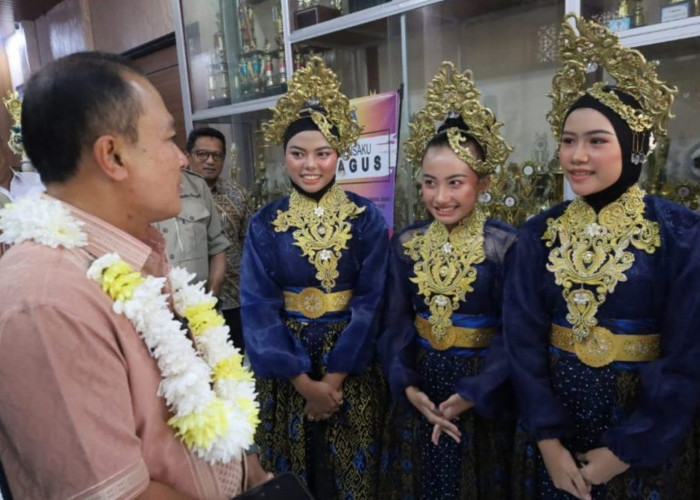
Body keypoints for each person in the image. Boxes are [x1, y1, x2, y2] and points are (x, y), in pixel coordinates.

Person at [0, 51, 261, 498]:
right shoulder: (47, 302)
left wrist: (248, 472)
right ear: (113, 156)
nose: (182, 159)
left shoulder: (136, 256)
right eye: (169, 139)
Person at [505, 15, 700, 499]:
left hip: (645, 439)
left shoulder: (679, 233)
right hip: (555, 435)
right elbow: (522, 344)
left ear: (634, 147)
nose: (576, 156)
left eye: (597, 141)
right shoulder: (537, 235)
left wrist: (626, 451)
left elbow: (689, 355)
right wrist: (548, 442)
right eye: (568, 141)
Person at [240, 56, 389, 499]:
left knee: (352, 478)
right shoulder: (265, 223)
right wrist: (305, 384)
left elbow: (373, 301)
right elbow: (257, 308)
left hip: (353, 370)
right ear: (283, 155)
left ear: (339, 154)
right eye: (298, 153)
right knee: (295, 476)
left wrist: (333, 381)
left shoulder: (367, 219)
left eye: (322, 153)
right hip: (289, 376)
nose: (310, 165)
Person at [379, 62, 515, 499]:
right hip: (423, 388)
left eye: (455, 183)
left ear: (484, 182)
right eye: (429, 184)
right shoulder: (406, 244)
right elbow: (396, 324)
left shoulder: (507, 246)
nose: (440, 197)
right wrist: (408, 387)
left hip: (483, 392)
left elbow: (518, 334)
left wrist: (474, 393)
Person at [186, 127, 253, 350]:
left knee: (235, 366)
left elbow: (249, 244)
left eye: (217, 155)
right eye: (202, 154)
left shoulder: (237, 194)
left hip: (235, 299)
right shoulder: (173, 195)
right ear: (188, 156)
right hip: (190, 301)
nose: (210, 161)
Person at [153, 166, 231, 298]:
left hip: (199, 306)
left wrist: (211, 298)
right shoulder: (126, 187)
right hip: (150, 308)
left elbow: (217, 247)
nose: (183, 160)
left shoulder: (197, 184)